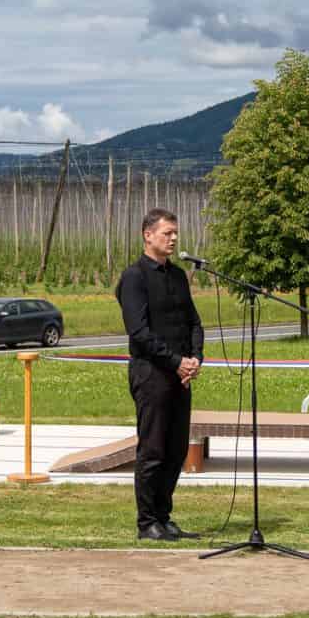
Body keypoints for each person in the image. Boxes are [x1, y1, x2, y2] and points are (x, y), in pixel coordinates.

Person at [115, 207, 204, 541]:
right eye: (167, 233)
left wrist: (195, 358)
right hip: (151, 372)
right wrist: (175, 361)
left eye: (175, 233)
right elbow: (139, 332)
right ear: (147, 234)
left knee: (176, 449)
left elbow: (194, 322)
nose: (174, 238)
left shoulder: (178, 276)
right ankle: (147, 521)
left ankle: (164, 517)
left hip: (180, 375)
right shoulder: (134, 277)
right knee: (153, 449)